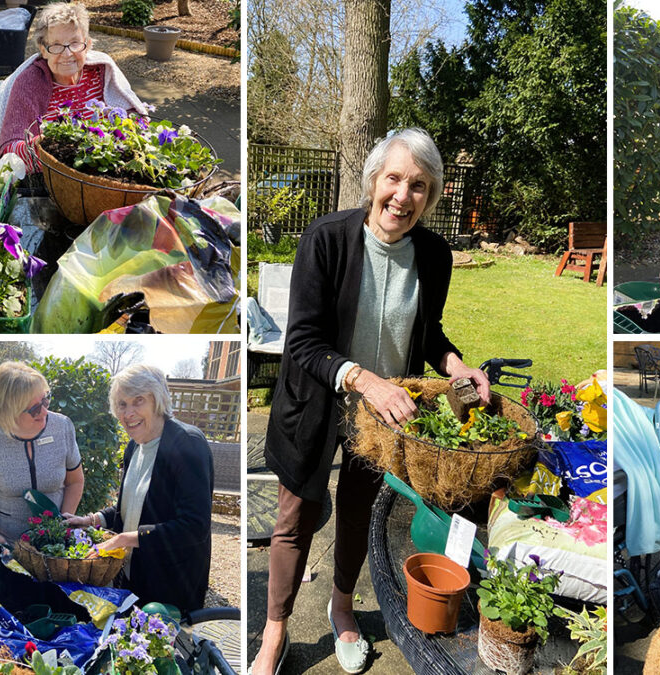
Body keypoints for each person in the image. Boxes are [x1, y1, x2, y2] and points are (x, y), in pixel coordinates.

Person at [249, 128, 493, 675]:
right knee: (294, 518)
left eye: (419, 186)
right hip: (316, 398)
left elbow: (427, 336)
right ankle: (275, 630)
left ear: (430, 198)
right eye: (394, 179)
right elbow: (304, 341)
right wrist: (365, 380)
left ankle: (341, 609)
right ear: (373, 181)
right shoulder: (327, 238)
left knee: (359, 512)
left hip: (383, 416)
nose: (403, 197)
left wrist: (456, 365)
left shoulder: (434, 255)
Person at [66, 364, 213, 613]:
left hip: (171, 583)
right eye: (122, 404)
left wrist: (124, 539)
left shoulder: (187, 444)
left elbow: (194, 526)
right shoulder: (134, 447)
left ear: (158, 401)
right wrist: (91, 520)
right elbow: (132, 507)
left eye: (138, 401)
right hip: (133, 574)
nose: (128, 412)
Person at [0, 3, 147, 172]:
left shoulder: (102, 71)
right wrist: (43, 147)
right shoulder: (28, 83)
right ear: (43, 50)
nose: (67, 54)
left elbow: (133, 116)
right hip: (52, 180)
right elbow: (10, 151)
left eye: (75, 43)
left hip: (107, 170)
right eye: (56, 45)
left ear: (88, 45)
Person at [0, 362, 84, 544]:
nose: (45, 411)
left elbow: (75, 481)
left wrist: (64, 523)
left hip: (53, 542)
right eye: (35, 409)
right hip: (6, 541)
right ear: (9, 412)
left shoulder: (62, 427)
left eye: (45, 400)